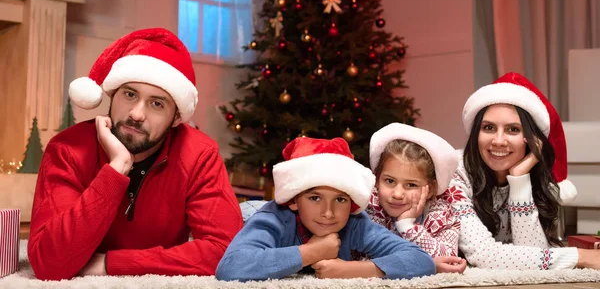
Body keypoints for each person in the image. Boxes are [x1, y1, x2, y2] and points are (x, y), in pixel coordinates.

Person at [28, 28, 243, 280]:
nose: (137, 114)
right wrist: (117, 168)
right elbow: (48, 262)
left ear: (176, 118)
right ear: (112, 95)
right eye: (130, 95)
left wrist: (112, 263)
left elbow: (227, 252)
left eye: (156, 103)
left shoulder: (199, 155)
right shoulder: (67, 149)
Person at [215, 137, 436, 281]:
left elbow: (420, 261)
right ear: (293, 199)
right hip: (251, 211)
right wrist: (312, 252)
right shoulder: (273, 218)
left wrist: (354, 270)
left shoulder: (354, 222)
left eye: (340, 200)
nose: (328, 213)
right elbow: (230, 267)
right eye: (315, 198)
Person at [446, 72, 600, 270]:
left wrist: (519, 180)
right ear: (476, 133)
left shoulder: (531, 176)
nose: (499, 140)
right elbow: (483, 255)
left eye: (513, 130)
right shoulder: (454, 172)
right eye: (489, 127)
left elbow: (533, 251)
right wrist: (580, 256)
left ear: (531, 139)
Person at [366, 123, 466, 273]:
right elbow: (364, 259)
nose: (397, 194)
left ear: (431, 189)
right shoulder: (370, 209)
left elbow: (449, 259)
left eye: (411, 184)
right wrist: (427, 264)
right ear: (377, 179)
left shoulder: (441, 214)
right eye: (390, 181)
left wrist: (407, 225)